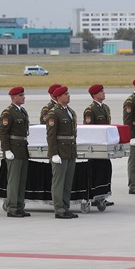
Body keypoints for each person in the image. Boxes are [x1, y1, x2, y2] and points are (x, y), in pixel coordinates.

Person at [46, 85, 78, 219]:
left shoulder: (70, 111)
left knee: (67, 181)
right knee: (59, 182)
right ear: (58, 97)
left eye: (68, 93)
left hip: (70, 151)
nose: (68, 96)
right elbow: (51, 135)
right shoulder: (54, 113)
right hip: (60, 151)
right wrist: (53, 153)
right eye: (65, 94)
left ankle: (65, 207)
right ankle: (59, 209)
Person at [0, 86, 30, 217]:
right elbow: (3, 133)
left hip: (22, 148)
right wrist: (6, 150)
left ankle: (19, 206)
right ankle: (12, 208)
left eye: (23, 95)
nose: (24, 97)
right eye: (21, 95)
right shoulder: (8, 112)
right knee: (14, 180)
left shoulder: (22, 111)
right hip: (14, 149)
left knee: (21, 181)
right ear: (14, 97)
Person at [83, 84, 114, 207]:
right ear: (95, 95)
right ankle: (95, 196)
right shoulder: (90, 110)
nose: (104, 93)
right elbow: (89, 129)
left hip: (104, 147)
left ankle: (102, 196)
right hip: (96, 148)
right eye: (101, 92)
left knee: (105, 169)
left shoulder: (105, 108)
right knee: (97, 171)